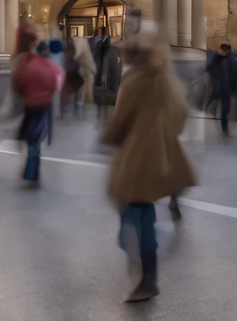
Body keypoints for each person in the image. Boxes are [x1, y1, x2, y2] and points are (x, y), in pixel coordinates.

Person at [101, 31, 194, 303]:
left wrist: (107, 138)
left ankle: (145, 273)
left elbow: (120, 120)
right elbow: (180, 119)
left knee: (133, 209)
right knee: (143, 210)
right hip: (162, 154)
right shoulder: (169, 81)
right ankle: (145, 268)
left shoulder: (134, 81)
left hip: (137, 155)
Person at [11, 38, 62, 183]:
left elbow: (19, 82)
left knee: (32, 138)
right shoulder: (52, 67)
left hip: (30, 106)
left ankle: (32, 171)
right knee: (36, 139)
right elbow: (57, 85)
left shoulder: (29, 65)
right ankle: (32, 170)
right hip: (44, 106)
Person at [206, 44, 237, 134]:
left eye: (221, 49)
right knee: (225, 108)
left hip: (225, 88)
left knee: (225, 109)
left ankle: (224, 128)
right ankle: (224, 128)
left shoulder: (227, 60)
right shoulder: (227, 59)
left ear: (225, 50)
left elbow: (211, 69)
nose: (219, 51)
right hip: (228, 88)